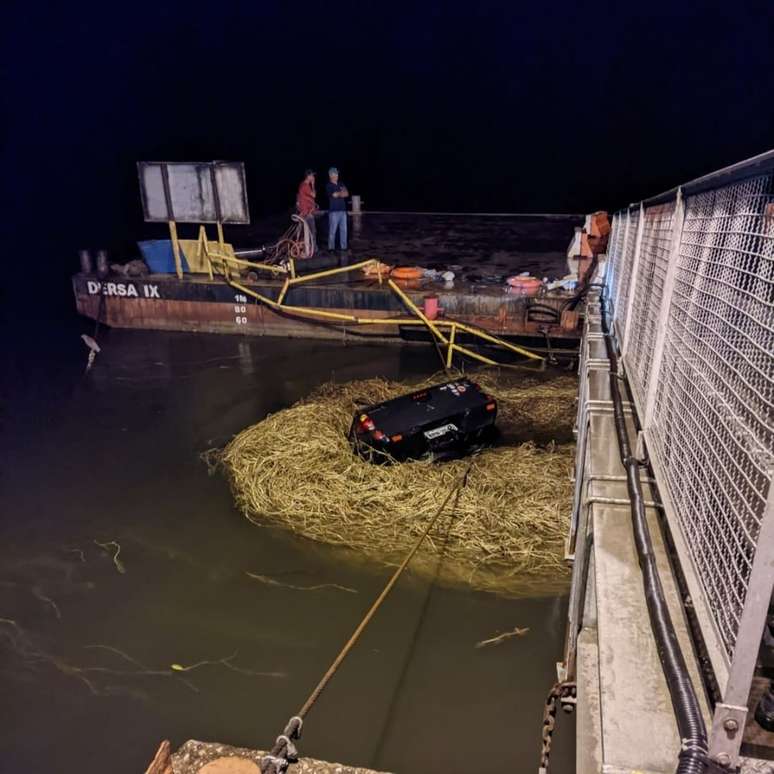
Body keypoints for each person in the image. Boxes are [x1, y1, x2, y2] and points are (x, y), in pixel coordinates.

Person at [326, 167, 349, 251]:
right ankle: (331, 248)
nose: (337, 175)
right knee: (332, 231)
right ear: (331, 175)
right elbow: (334, 195)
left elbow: (346, 194)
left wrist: (339, 193)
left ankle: (344, 247)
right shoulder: (329, 185)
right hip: (334, 212)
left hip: (343, 211)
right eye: (335, 173)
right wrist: (340, 193)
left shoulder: (341, 183)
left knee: (344, 231)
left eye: (337, 173)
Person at [296, 169, 318, 257]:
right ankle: (312, 251)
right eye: (312, 176)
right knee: (312, 233)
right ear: (308, 176)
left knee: (306, 233)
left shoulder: (302, 185)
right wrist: (313, 184)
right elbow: (314, 195)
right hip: (307, 214)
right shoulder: (306, 186)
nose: (313, 177)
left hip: (305, 212)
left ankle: (307, 250)